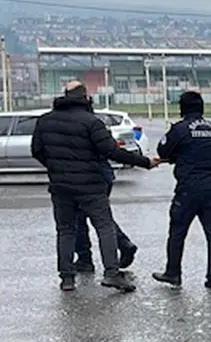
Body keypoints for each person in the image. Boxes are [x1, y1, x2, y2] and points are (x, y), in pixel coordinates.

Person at [30, 81, 155, 292]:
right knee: (104, 227)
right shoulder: (91, 122)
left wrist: (56, 168)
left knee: (65, 231)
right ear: (85, 96)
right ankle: (111, 274)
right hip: (91, 186)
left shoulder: (45, 121)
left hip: (60, 186)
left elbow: (37, 150)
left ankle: (67, 278)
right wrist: (145, 162)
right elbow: (111, 151)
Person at [151, 91, 211, 290]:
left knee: (177, 232)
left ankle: (173, 273)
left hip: (189, 188)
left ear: (182, 108)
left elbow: (163, 150)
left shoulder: (180, 129)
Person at [72, 159, 137, 273]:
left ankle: (84, 258)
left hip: (83, 176)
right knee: (99, 215)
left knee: (78, 217)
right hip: (102, 173)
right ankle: (123, 243)